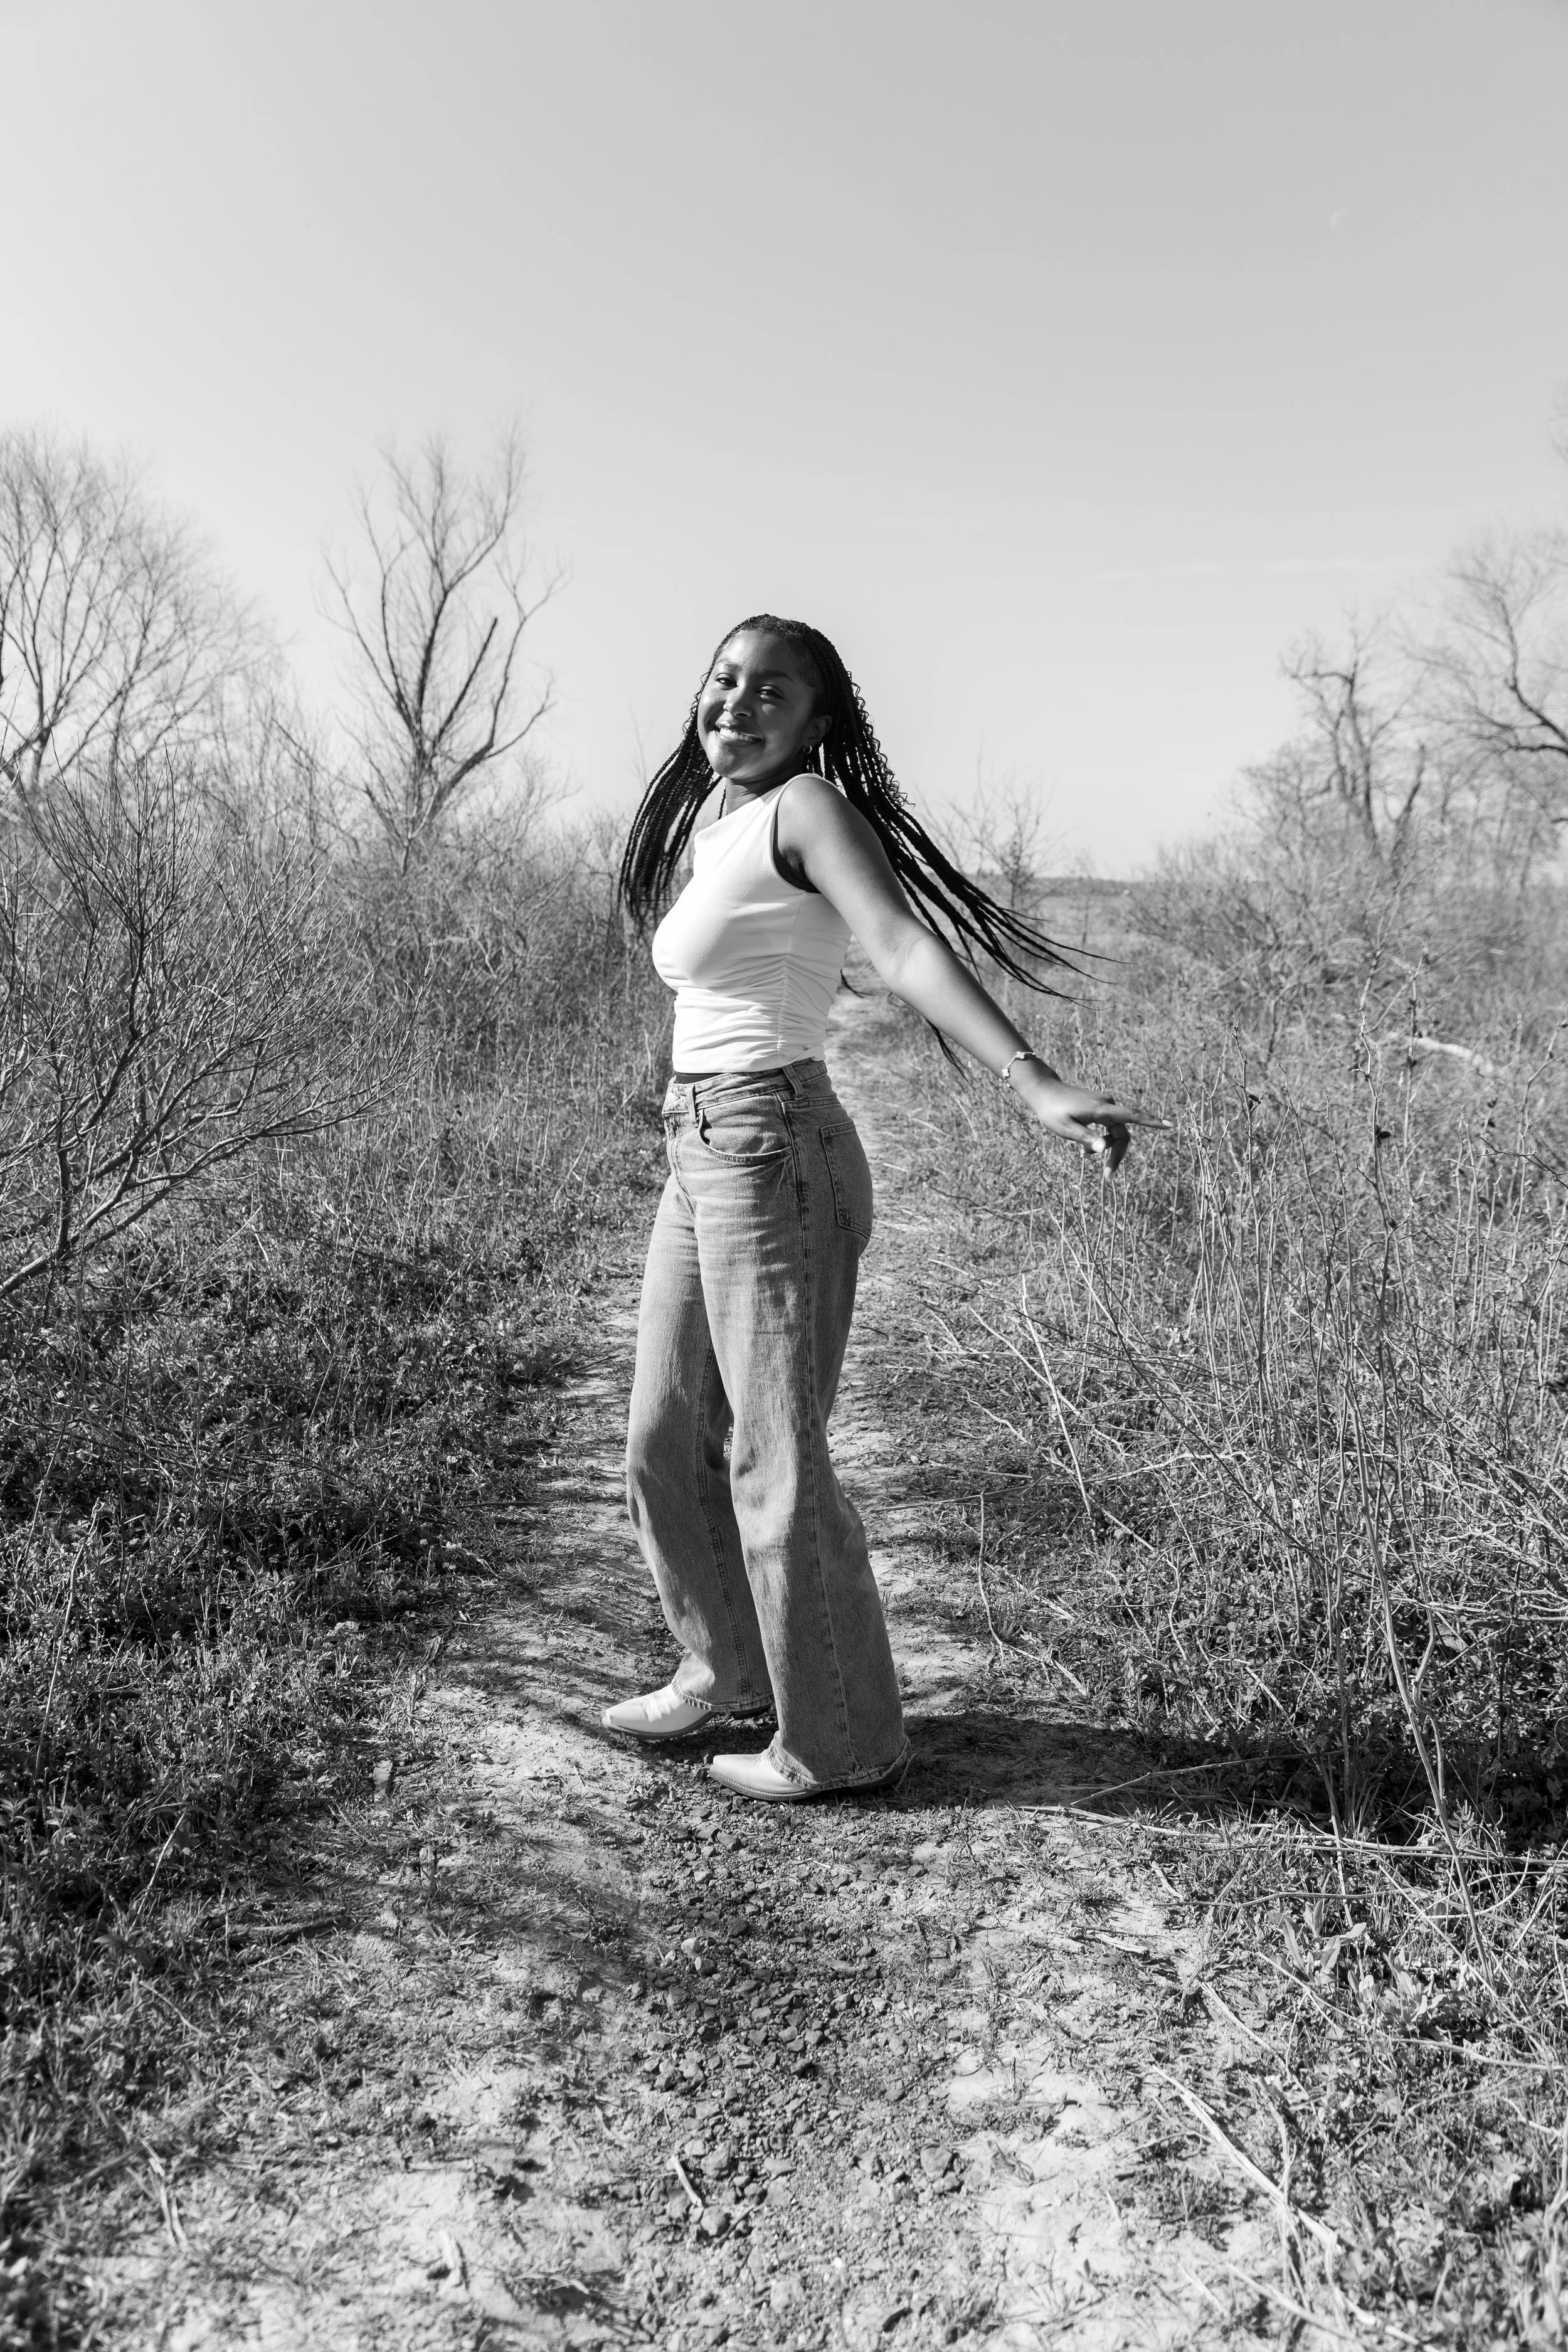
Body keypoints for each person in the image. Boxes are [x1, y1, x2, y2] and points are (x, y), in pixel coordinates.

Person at [603, 615, 1154, 1803]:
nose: (739, 705)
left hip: (771, 1148)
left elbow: (901, 948)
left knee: (775, 1455)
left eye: (773, 691)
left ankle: (842, 1737)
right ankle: (730, 1667)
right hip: (701, 1142)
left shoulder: (808, 809)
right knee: (662, 1432)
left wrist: (1034, 1081)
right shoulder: (717, 820)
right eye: (725, 681)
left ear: (817, 720)